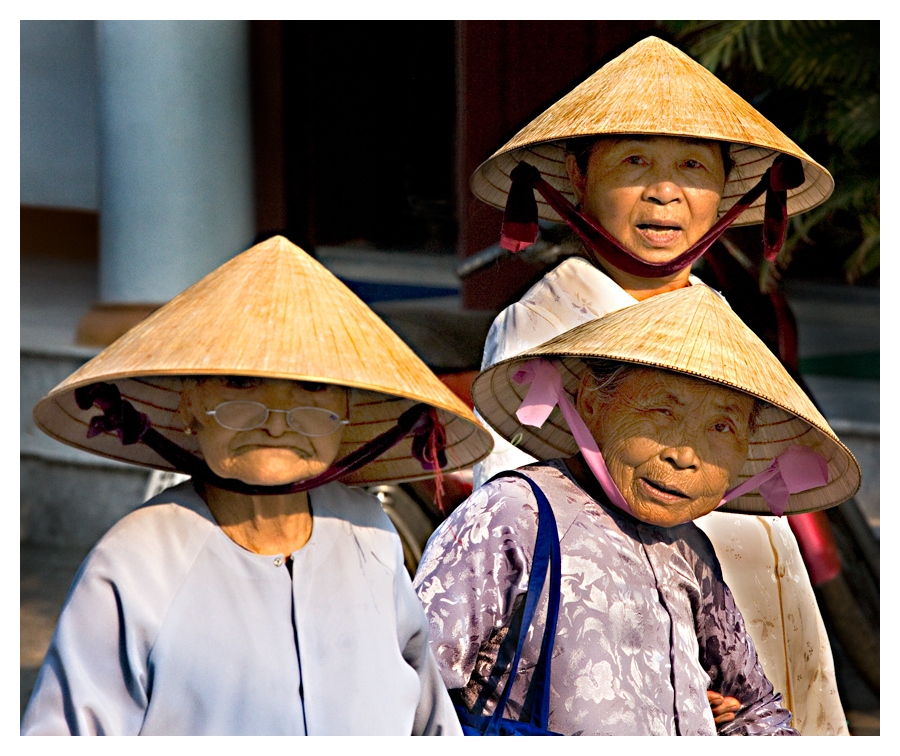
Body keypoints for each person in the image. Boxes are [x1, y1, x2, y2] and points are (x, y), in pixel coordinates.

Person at [468, 35, 848, 734]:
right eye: (634, 161)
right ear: (577, 180)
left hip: (751, 627)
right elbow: (519, 525)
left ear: (727, 193)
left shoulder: (716, 314)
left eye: (693, 167)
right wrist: (665, 667)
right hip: (627, 651)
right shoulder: (542, 326)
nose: (665, 191)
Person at [21, 235, 493, 735]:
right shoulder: (136, 562)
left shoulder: (368, 533)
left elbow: (429, 723)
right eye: (241, 384)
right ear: (188, 405)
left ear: (345, 413)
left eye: (312, 387)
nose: (275, 423)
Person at [414, 285, 860, 736]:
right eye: (662, 412)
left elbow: (754, 709)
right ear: (593, 403)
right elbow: (413, 685)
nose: (686, 455)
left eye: (721, 427)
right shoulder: (515, 513)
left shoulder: (691, 549)